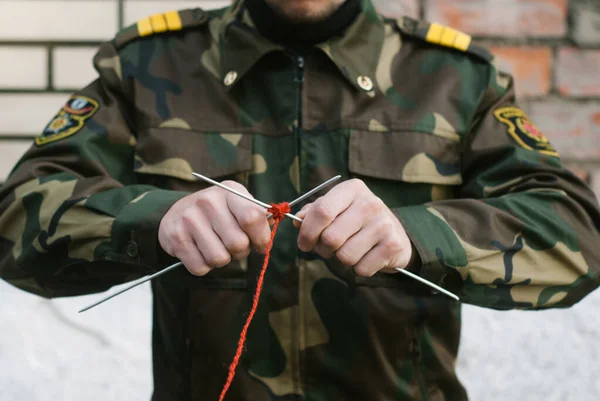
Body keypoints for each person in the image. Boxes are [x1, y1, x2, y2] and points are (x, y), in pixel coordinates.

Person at [1, 0, 599, 399]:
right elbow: (15, 219)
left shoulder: (452, 76)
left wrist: (421, 234)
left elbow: (576, 232)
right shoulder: (149, 65)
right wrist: (154, 217)